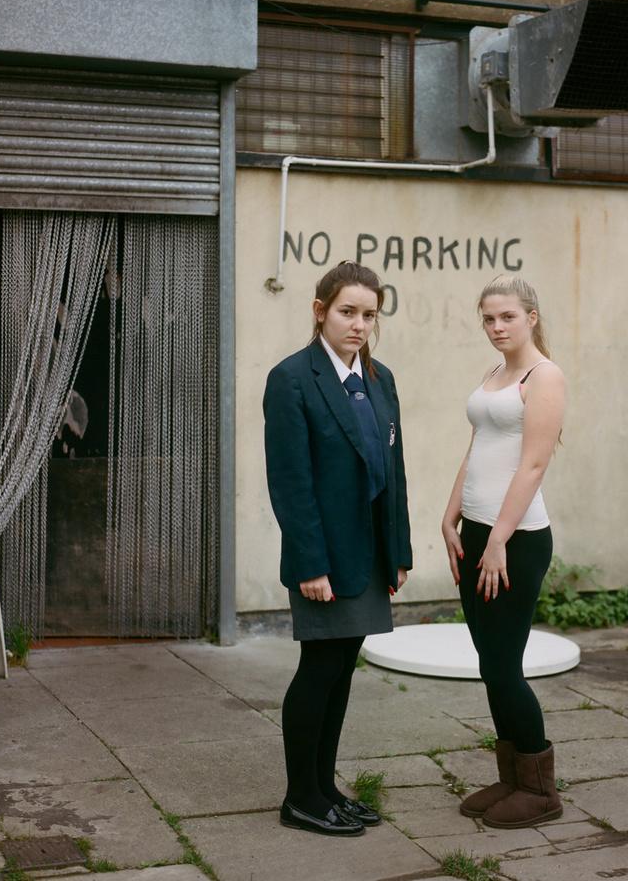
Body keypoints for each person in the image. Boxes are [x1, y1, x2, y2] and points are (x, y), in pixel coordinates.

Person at [263, 260, 412, 838]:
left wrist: (398, 550)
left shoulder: (380, 378)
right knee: (320, 667)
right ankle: (300, 797)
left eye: (369, 315)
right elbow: (291, 483)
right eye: (347, 312)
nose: (358, 325)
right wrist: (310, 563)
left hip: (369, 553)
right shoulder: (292, 379)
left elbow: (393, 470)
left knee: (343, 669)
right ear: (320, 311)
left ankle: (324, 789)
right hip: (324, 558)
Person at [441, 274, 566, 829]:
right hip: (478, 534)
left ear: (531, 318)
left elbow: (533, 465)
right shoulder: (494, 374)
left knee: (502, 665)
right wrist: (451, 515)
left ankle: (540, 790)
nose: (496, 327)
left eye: (507, 317)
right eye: (488, 318)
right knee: (490, 664)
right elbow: (478, 448)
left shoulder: (545, 376)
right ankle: (513, 776)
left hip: (515, 540)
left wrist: (497, 541)